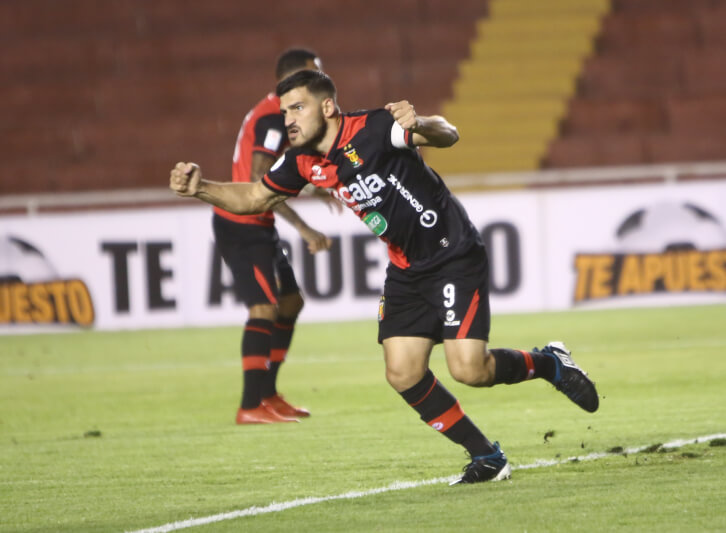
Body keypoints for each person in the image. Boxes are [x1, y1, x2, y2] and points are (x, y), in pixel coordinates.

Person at [170, 70, 599, 482]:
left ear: (329, 106)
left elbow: (448, 134)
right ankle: (486, 456)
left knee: (470, 370)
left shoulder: (374, 128)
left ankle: (549, 363)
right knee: (403, 373)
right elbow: (255, 196)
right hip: (406, 270)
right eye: (284, 112)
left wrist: (423, 122)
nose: (289, 120)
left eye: (297, 108)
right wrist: (201, 188)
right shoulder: (301, 162)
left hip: (452, 254)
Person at [214, 49, 333, 425]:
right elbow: (257, 181)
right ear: (298, 77)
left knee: (290, 302)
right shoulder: (272, 117)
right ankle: (250, 405)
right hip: (242, 224)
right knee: (263, 308)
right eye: (315, 73)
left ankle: (268, 394)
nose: (321, 78)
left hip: (259, 223)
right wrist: (304, 228)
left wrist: (317, 189)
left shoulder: (277, 113)